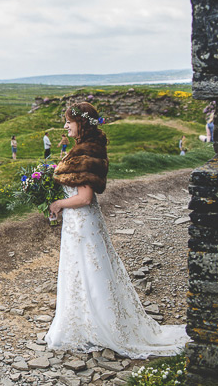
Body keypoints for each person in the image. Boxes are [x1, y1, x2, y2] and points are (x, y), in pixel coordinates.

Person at [45, 102, 189, 359]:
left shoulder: (87, 152)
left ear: (82, 123)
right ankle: (84, 323)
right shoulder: (85, 148)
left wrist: (58, 204)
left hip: (83, 222)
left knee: (88, 269)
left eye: (68, 121)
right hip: (80, 222)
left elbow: (85, 197)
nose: (65, 125)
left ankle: (99, 327)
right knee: (82, 270)